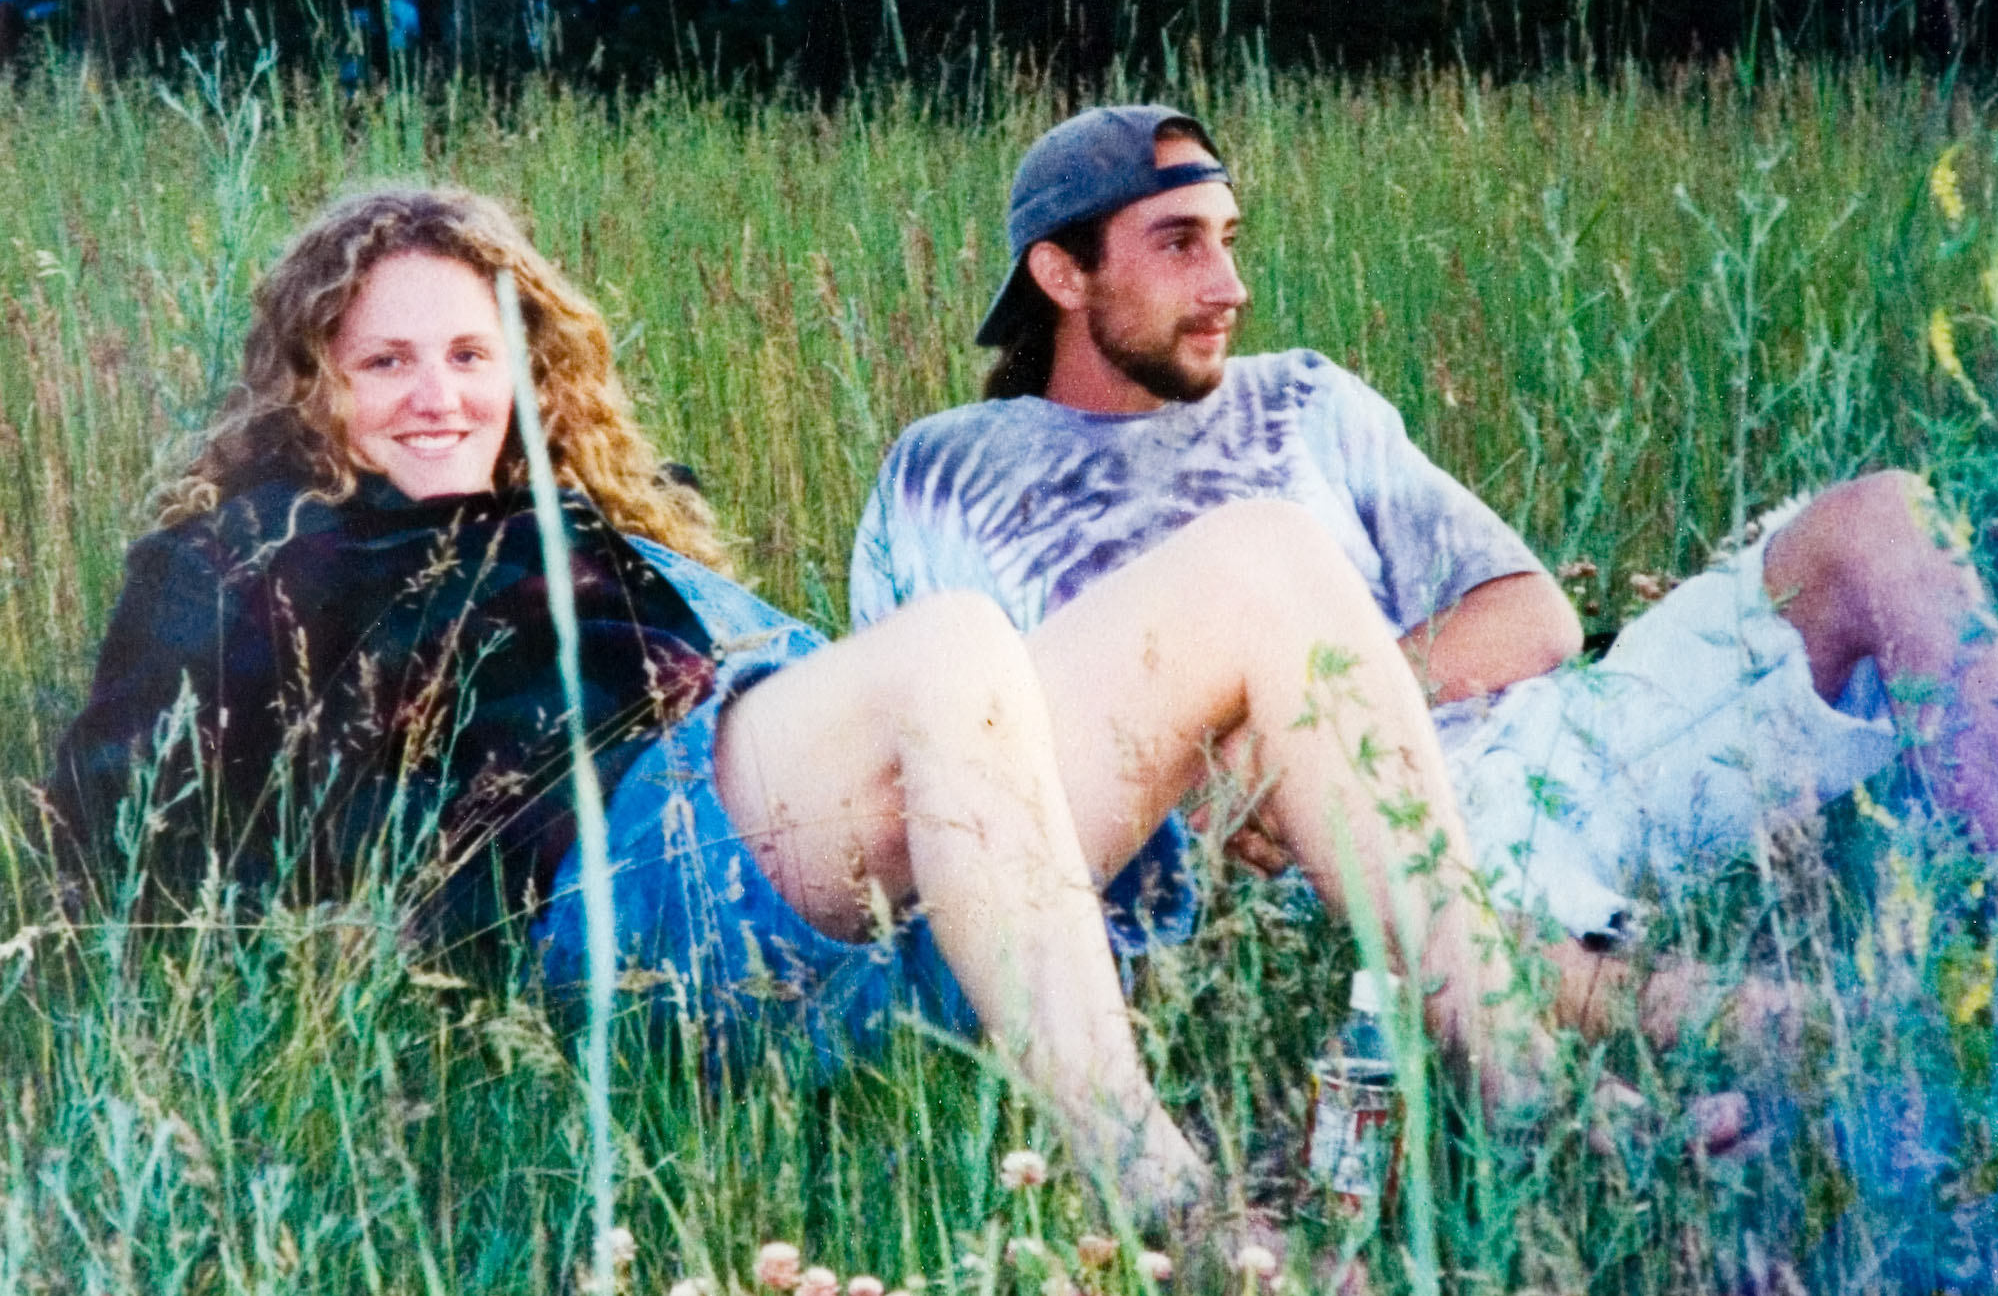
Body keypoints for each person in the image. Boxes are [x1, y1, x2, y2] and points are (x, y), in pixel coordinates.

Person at [48, 184, 1572, 1226]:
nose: (437, 393)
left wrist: (1164, 738)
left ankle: (1532, 1094)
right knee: (948, 644)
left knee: (1267, 556)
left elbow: (819, 687)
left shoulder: (587, 530)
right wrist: (356, 924)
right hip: (605, 882)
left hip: (829, 869)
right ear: (313, 371)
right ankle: (1154, 1190)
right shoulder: (239, 551)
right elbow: (117, 815)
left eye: (470, 353)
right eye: (384, 359)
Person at [850, 106, 1998, 1023]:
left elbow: (1534, 617)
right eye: (1178, 242)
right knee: (1424, 938)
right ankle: (1828, 1041)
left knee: (1880, 519)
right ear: (1061, 271)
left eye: (1230, 236)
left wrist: (1325, 711)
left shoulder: (1301, 400)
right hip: (1307, 870)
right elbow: (935, 752)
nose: (1230, 281)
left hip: (1548, 752)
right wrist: (1209, 776)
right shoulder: (946, 470)